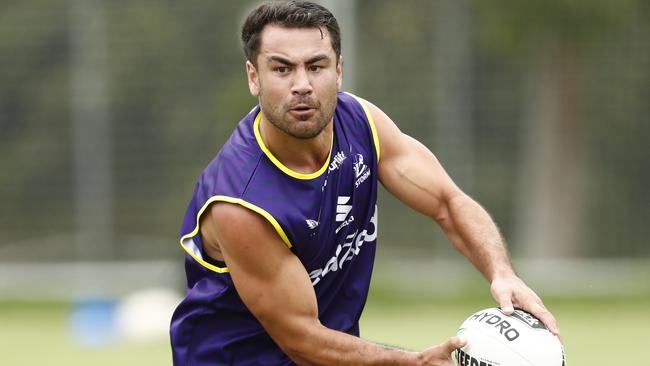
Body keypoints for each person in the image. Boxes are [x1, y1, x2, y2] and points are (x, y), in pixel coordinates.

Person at [170, 1, 560, 365]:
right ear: (254, 77)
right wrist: (414, 361)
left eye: (317, 66)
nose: (302, 84)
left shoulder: (361, 124)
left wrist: (503, 274)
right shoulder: (241, 203)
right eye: (282, 68)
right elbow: (302, 340)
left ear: (339, 71)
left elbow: (447, 202)